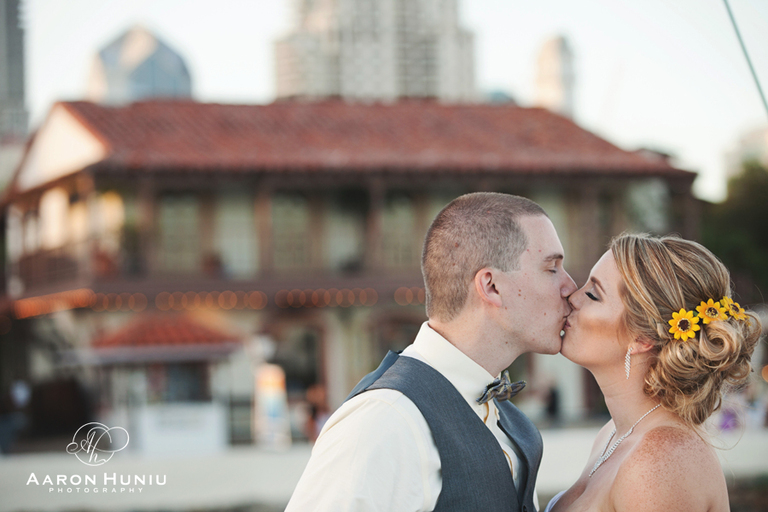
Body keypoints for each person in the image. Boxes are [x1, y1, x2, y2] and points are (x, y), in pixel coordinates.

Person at [286, 192, 577, 511]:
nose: (570, 288)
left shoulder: (508, 418)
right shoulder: (384, 420)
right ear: (491, 286)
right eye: (552, 268)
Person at [547, 233, 761, 512]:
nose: (572, 297)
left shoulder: (660, 460)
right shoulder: (613, 434)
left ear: (641, 338)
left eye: (592, 294)